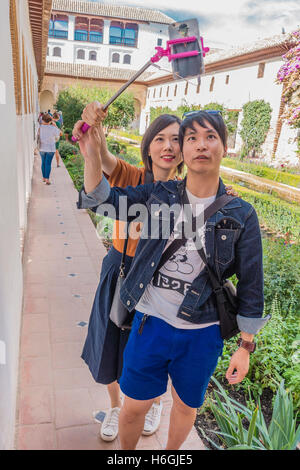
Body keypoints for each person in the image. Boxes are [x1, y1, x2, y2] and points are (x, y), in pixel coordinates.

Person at [77, 110, 270, 450]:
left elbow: (253, 284)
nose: (201, 145)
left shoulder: (242, 215)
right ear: (185, 150)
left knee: (185, 406)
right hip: (150, 324)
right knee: (134, 406)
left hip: (203, 334)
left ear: (225, 146)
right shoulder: (159, 194)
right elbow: (103, 201)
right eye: (192, 138)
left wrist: (246, 346)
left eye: (210, 137)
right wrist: (92, 151)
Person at [38, 113, 62, 184]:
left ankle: (44, 178)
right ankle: (47, 179)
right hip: (51, 149)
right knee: (48, 163)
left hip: (42, 148)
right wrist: (55, 126)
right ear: (50, 121)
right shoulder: (53, 128)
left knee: (43, 163)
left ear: (42, 120)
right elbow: (60, 134)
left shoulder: (40, 127)